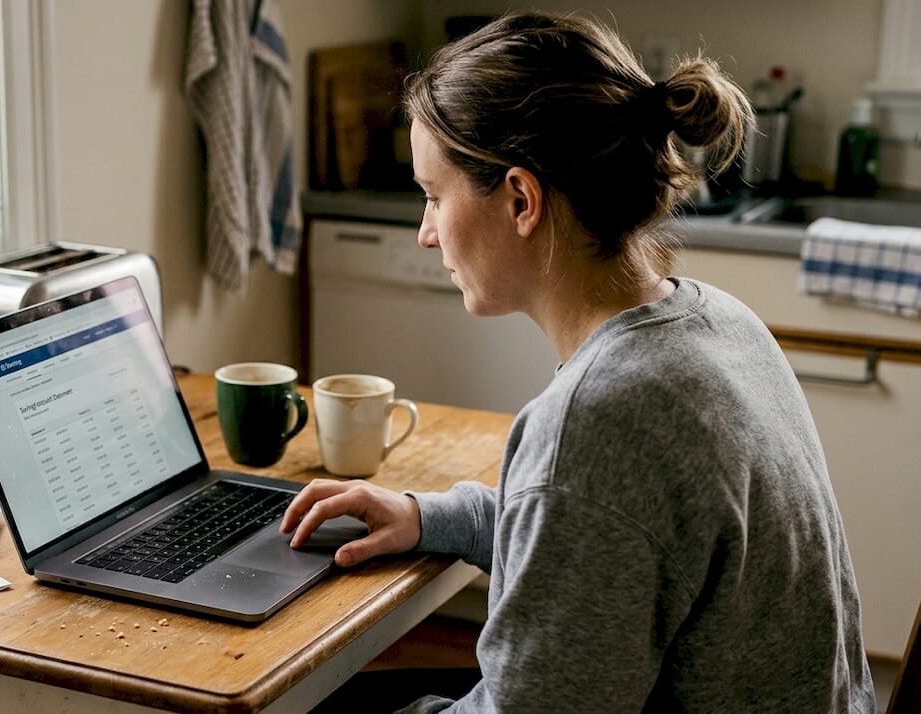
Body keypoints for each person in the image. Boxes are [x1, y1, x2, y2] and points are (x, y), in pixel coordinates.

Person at [281, 12, 875, 713]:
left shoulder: (599, 419)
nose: (425, 231)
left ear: (521, 199)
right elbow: (609, 540)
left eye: (435, 196)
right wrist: (429, 517)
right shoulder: (718, 319)